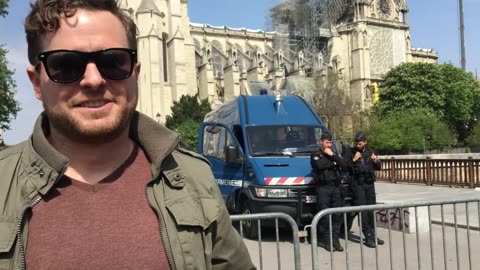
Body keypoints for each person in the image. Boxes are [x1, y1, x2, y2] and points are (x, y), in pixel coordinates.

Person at [0, 1, 255, 269]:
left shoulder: (194, 178)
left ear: (136, 73)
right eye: (65, 64)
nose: (94, 80)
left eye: (114, 61)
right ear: (37, 83)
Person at [344, 132, 384, 248]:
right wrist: (354, 160)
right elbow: (344, 167)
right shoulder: (350, 152)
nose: (357, 145)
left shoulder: (371, 151)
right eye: (356, 143)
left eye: (360, 143)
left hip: (369, 184)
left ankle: (373, 234)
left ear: (365, 142)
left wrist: (376, 160)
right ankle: (367, 236)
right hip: (357, 184)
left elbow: (379, 167)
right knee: (363, 211)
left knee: (371, 210)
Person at [310, 132, 346, 252]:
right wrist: (333, 162)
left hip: (335, 187)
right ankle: (327, 241)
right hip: (323, 188)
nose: (329, 144)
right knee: (325, 215)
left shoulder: (332, 153)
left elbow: (343, 164)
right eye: (327, 142)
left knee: (336, 215)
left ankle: (335, 240)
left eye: (330, 142)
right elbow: (320, 166)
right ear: (321, 142)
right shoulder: (315, 154)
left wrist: (333, 156)